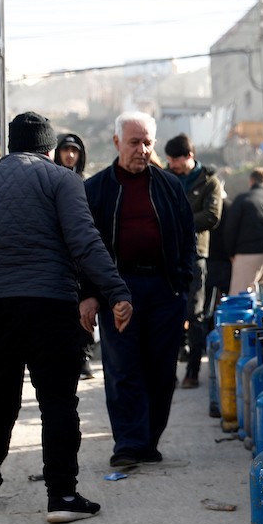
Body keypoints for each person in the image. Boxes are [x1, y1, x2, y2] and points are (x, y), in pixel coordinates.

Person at [0, 112, 132, 523]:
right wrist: (115, 291)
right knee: (57, 400)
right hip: (50, 304)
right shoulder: (63, 180)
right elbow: (84, 241)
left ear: (11, 145)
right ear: (49, 147)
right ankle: (62, 496)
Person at [80, 112, 196, 468]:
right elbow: (84, 246)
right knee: (123, 368)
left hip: (165, 290)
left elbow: (187, 239)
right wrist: (90, 293)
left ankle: (149, 441)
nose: (142, 150)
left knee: (162, 370)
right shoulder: (96, 189)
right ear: (117, 142)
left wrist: (184, 285)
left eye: (147, 143)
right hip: (118, 290)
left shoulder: (169, 186)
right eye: (134, 142)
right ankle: (129, 443)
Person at [163, 133, 223, 388]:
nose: (171, 164)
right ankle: (168, 371)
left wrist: (179, 221)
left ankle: (193, 371)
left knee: (195, 314)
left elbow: (211, 216)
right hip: (166, 254)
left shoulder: (209, 181)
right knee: (166, 313)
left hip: (196, 255)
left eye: (175, 160)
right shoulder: (165, 177)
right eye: (169, 160)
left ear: (189, 156)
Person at [54, 132, 100, 379]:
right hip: (57, 255)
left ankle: (84, 357)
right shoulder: (50, 181)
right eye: (66, 150)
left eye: (75, 151)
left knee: (86, 304)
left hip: (82, 254)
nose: (70, 155)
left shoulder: (87, 184)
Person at [224, 166, 263, 294]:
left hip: (248, 254)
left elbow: (230, 228)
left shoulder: (243, 199)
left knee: (241, 296)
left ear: (251, 181)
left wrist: (231, 253)